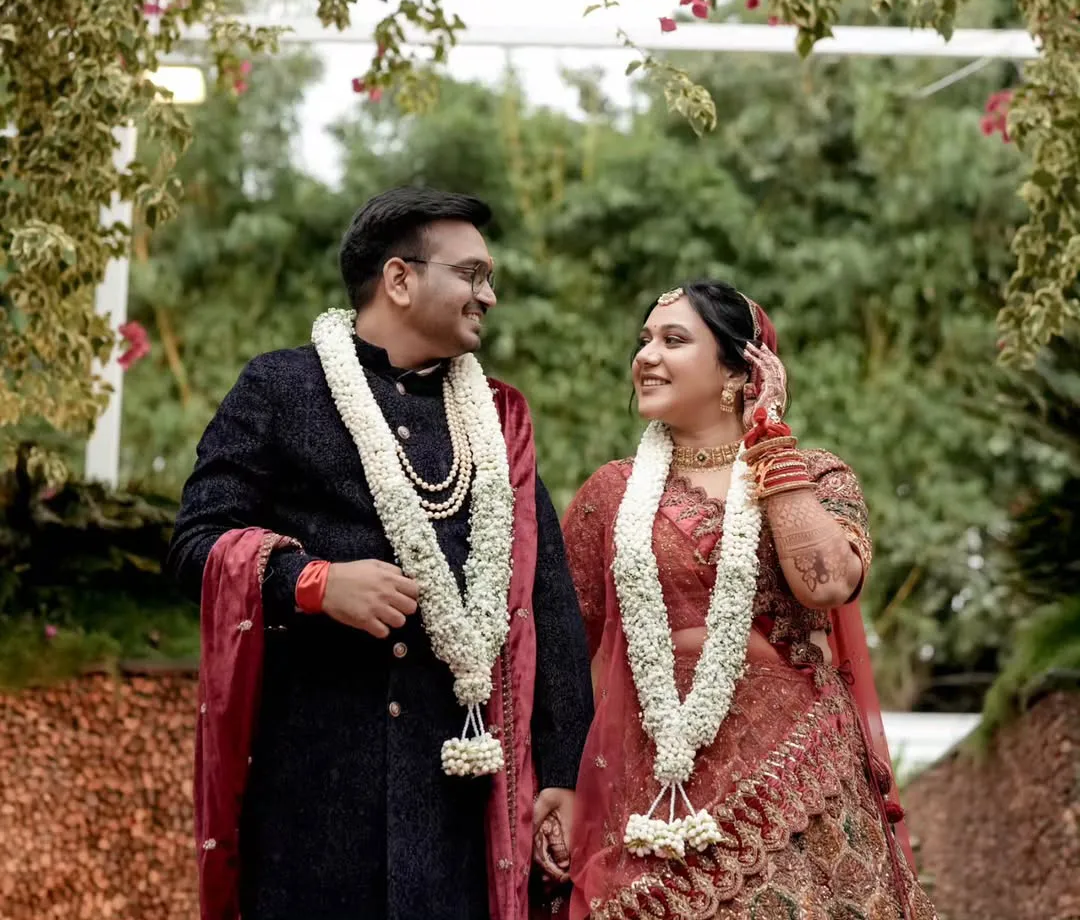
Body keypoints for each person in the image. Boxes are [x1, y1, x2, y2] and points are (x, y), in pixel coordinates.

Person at [167, 187, 594, 920]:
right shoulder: (282, 387)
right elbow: (194, 544)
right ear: (399, 279)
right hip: (315, 796)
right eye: (471, 274)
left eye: (489, 278)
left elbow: (544, 600)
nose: (488, 295)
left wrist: (561, 771)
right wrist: (312, 582)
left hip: (463, 802)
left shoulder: (494, 420)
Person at [562, 280, 937, 920]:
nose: (646, 356)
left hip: (799, 777)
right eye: (644, 340)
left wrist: (771, 444)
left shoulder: (815, 474)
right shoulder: (611, 495)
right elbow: (562, 651)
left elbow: (827, 584)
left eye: (673, 340)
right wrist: (560, 784)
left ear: (740, 371)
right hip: (657, 787)